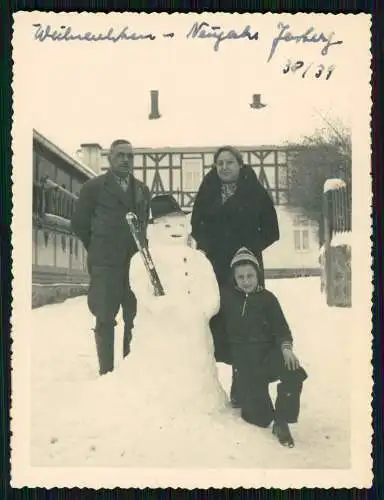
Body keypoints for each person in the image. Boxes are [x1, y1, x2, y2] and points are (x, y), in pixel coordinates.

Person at [190, 145, 280, 402]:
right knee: (218, 322)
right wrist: (209, 247)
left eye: (230, 162)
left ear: (240, 165)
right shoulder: (208, 192)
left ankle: (245, 385)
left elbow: (272, 231)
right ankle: (211, 386)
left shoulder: (255, 192)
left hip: (246, 270)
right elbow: (197, 225)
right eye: (220, 163)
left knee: (248, 323)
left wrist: (247, 251)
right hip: (216, 269)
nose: (225, 167)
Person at [127, 194, 228, 414]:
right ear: (154, 229)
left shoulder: (199, 259)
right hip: (160, 329)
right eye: (168, 225)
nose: (176, 229)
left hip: (194, 330)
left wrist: (207, 309)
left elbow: (211, 288)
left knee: (195, 369)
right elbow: (140, 289)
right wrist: (157, 305)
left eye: (181, 224)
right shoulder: (142, 258)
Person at [71, 139, 150, 376]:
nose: (126, 160)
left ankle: (129, 371)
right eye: (120, 156)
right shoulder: (94, 188)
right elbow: (80, 224)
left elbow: (145, 225)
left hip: (135, 264)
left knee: (134, 317)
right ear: (109, 159)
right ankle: (106, 371)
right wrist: (98, 247)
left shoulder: (142, 190)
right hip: (105, 264)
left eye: (130, 156)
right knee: (105, 316)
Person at [221, 247, 308, 448]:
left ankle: (282, 421)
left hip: (268, 356)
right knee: (259, 419)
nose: (246, 281)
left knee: (293, 372)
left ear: (257, 275)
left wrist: (286, 349)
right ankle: (245, 395)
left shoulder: (268, 299)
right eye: (240, 276)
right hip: (245, 364)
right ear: (234, 278)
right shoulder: (226, 299)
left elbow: (281, 328)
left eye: (250, 275)